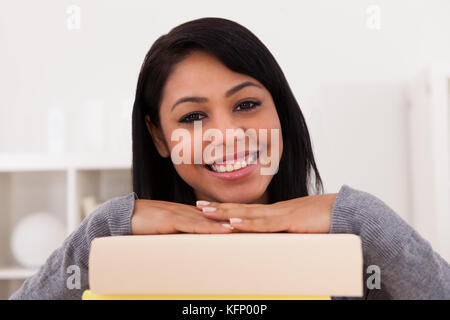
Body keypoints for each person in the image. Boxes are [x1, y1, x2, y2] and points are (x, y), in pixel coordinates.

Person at [10, 17, 449, 300]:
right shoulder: (115, 265)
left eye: (246, 105)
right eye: (194, 116)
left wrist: (362, 217)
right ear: (158, 137)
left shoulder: (354, 259)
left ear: (280, 111)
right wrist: (97, 234)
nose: (228, 135)